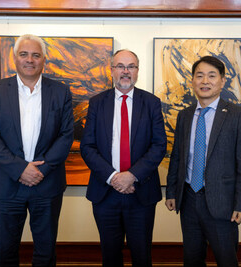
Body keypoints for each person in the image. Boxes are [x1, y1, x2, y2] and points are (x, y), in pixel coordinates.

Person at [0, 34, 74, 267]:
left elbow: (66, 136)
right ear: (15, 59)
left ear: (44, 60)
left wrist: (41, 170)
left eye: (36, 55)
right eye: (24, 54)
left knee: (45, 253)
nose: (30, 60)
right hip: (6, 185)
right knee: (5, 252)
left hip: (47, 183)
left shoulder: (60, 92)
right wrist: (21, 169)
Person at [165, 56, 241, 267]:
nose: (205, 81)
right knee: (192, 260)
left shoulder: (237, 115)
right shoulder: (185, 115)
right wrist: (171, 191)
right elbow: (177, 156)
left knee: (226, 260)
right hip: (188, 198)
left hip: (222, 203)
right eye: (200, 76)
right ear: (193, 81)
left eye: (212, 76)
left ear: (222, 81)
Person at [80, 49, 167, 267]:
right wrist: (113, 178)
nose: (126, 71)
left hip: (141, 193)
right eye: (120, 66)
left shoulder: (152, 103)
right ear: (111, 70)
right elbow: (88, 147)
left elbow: (159, 145)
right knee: (110, 257)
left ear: (138, 71)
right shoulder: (97, 103)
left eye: (131, 66)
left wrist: (132, 176)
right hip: (105, 193)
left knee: (142, 257)